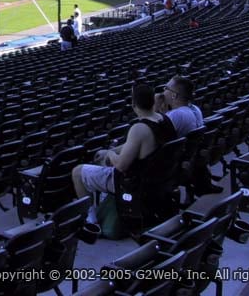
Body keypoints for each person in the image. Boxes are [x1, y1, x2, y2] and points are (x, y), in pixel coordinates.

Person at [72, 83, 176, 225]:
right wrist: (113, 151)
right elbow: (135, 145)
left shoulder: (139, 128)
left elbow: (121, 166)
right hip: (158, 178)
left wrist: (109, 153)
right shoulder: (164, 119)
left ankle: (90, 219)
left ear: (133, 105)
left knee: (77, 172)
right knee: (101, 161)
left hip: (134, 183)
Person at [156, 75, 221, 195]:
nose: (163, 92)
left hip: (170, 166)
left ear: (174, 95)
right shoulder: (194, 109)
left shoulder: (176, 115)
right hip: (187, 160)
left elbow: (153, 137)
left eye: (166, 88)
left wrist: (154, 110)